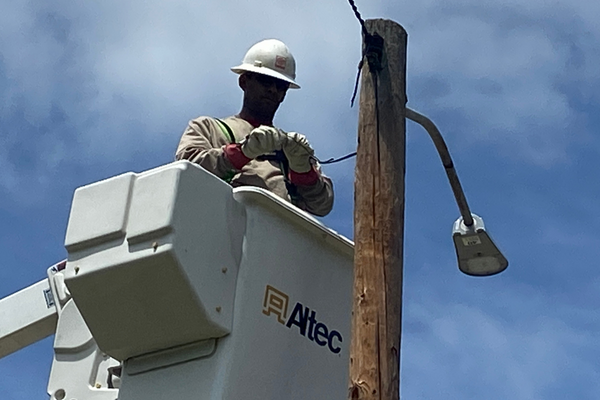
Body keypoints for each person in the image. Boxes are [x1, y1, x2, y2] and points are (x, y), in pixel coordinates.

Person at [175, 39, 334, 217]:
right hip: (223, 227)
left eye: (281, 86)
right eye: (266, 81)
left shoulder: (291, 148)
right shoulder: (208, 128)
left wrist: (303, 170)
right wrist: (241, 152)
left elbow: (322, 205)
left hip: (277, 236)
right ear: (244, 81)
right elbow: (187, 171)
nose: (273, 90)